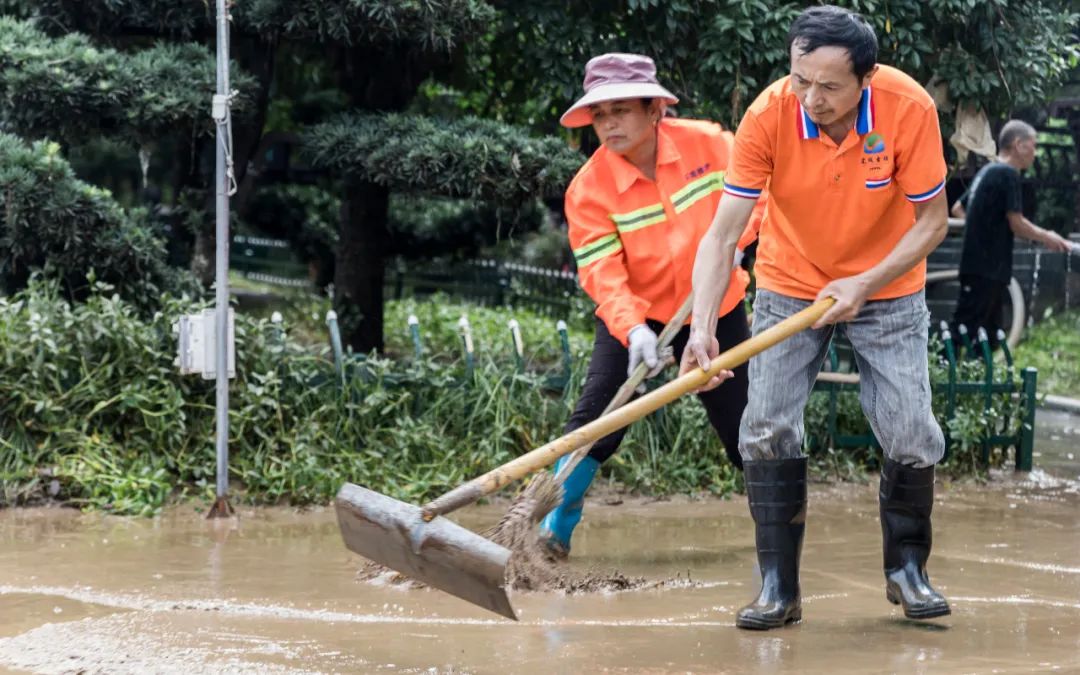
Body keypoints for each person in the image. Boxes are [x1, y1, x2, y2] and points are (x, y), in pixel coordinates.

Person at [682, 5, 952, 629]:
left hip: (887, 286)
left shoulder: (907, 110)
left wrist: (865, 280)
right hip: (790, 282)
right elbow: (722, 237)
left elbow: (931, 222)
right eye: (801, 79)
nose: (811, 97)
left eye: (829, 86)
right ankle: (779, 587)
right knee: (766, 427)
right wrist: (701, 329)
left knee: (912, 430)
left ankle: (907, 570)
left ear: (867, 77)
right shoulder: (769, 113)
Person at [540, 52, 761, 559]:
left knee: (744, 424)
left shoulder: (711, 144)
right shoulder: (588, 191)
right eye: (599, 114)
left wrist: (741, 241)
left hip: (716, 305)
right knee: (598, 419)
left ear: (654, 109)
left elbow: (759, 193)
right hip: (638, 318)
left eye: (621, 109)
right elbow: (603, 274)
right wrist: (634, 329)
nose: (609, 123)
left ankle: (777, 528)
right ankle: (554, 527)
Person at [951, 120, 1073, 346]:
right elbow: (1016, 222)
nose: (1035, 153)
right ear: (1018, 144)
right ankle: (942, 375)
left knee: (987, 336)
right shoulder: (1008, 174)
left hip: (982, 266)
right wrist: (1048, 236)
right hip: (987, 268)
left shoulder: (987, 171)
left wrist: (979, 230)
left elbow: (958, 207)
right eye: (1033, 146)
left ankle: (980, 378)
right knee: (964, 332)